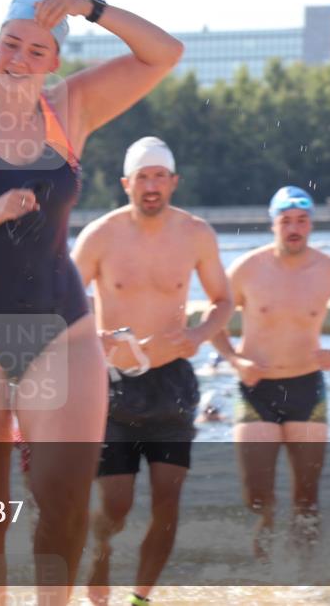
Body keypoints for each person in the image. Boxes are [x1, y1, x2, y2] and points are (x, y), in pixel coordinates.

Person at [0, 0, 183, 604]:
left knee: (65, 503)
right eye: (11, 44)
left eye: (37, 49)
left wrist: (92, 7)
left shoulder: (69, 109)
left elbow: (164, 53)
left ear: (54, 61)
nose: (20, 58)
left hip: (62, 330)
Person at [71, 137, 233, 605]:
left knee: (167, 503)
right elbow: (58, 299)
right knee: (116, 507)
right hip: (113, 387)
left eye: (160, 176)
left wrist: (200, 335)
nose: (151, 186)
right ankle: (99, 555)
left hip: (173, 384)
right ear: (126, 183)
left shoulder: (196, 234)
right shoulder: (100, 235)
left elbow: (224, 301)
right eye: (142, 176)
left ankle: (140, 597)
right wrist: (89, 335)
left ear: (174, 181)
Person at [210, 186, 330, 558]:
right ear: (273, 224)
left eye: (302, 221)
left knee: (307, 498)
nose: (294, 228)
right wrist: (236, 360)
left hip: (307, 387)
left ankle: (306, 583)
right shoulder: (247, 269)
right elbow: (212, 321)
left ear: (311, 224)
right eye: (286, 221)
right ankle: (267, 581)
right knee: (258, 498)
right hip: (256, 389)